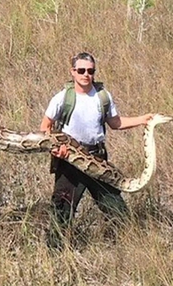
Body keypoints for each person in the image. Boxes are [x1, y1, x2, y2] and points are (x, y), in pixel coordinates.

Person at [39, 52, 153, 249]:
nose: (86, 75)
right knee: (62, 210)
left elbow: (115, 123)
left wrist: (143, 119)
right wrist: (57, 149)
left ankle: (129, 247)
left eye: (90, 71)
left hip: (97, 158)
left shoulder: (102, 96)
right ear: (72, 72)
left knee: (116, 207)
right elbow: (45, 127)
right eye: (81, 70)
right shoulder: (62, 97)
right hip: (70, 161)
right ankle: (55, 254)